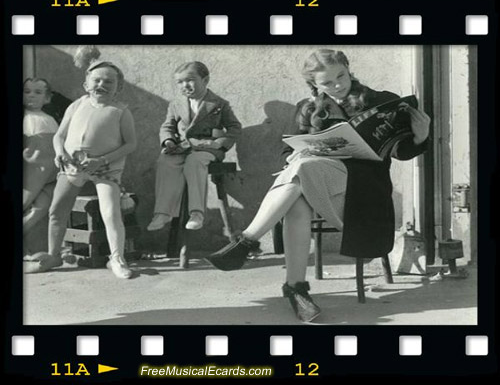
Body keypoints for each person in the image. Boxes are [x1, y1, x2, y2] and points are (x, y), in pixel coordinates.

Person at [206, 49, 431, 322]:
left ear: (349, 69)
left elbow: (400, 151)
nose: (338, 85)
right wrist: (299, 152)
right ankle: (296, 289)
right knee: (298, 193)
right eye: (327, 82)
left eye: (341, 76)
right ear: (314, 85)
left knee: (302, 171)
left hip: (363, 193)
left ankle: (246, 242)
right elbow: (284, 153)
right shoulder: (308, 108)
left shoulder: (381, 102)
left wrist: (420, 137)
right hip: (318, 184)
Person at [27, 60, 137, 279]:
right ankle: (54, 255)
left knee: (110, 212)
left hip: (105, 169)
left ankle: (116, 258)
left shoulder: (120, 111)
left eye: (109, 81)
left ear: (119, 87)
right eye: (96, 80)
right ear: (86, 84)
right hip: (72, 166)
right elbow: (60, 135)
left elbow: (130, 144)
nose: (101, 84)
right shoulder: (77, 105)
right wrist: (59, 152)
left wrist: (103, 160)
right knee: (56, 211)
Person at [147, 61, 242, 232]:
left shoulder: (219, 104)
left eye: (190, 80)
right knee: (165, 161)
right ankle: (163, 212)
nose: (185, 85)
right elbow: (167, 126)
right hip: (184, 147)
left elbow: (235, 127)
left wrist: (219, 144)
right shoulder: (176, 104)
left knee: (194, 162)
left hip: (208, 149)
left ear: (205, 80)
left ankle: (197, 213)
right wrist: (168, 140)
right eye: (180, 82)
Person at [23, 78, 59, 239]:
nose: (31, 96)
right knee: (25, 201)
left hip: (51, 173)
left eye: (38, 92)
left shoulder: (50, 119)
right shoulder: (25, 118)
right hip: (32, 171)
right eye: (27, 92)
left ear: (47, 98)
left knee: (42, 206)